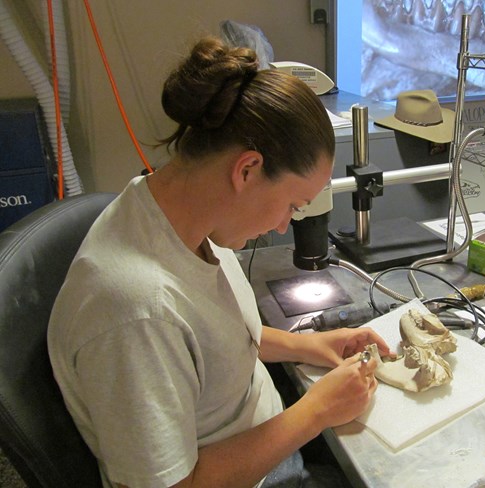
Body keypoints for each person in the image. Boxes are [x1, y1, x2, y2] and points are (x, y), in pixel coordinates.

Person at [48, 36, 391, 488]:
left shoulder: (169, 214)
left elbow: (209, 338)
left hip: (269, 441)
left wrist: (312, 345)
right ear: (247, 170)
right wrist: (316, 411)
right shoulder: (134, 310)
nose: (286, 226)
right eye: (292, 205)